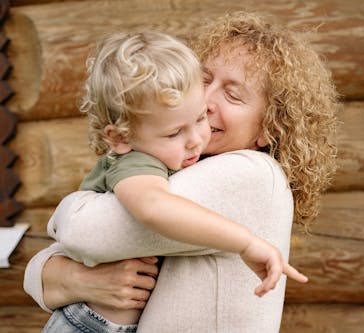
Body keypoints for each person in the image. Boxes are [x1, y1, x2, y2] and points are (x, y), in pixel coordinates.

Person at [24, 11, 339, 332]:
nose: (205, 100)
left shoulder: (251, 175)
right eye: (203, 80)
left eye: (232, 94)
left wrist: (67, 211)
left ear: (269, 127)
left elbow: (85, 233)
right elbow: (41, 269)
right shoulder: (174, 165)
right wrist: (82, 280)